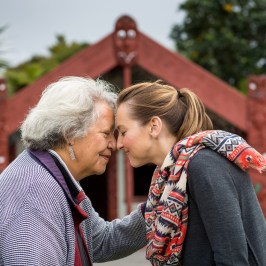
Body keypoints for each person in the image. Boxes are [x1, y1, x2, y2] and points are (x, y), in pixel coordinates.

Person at [116, 80, 266, 266]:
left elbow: (233, 259)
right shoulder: (171, 176)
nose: (118, 144)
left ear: (154, 126)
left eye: (123, 132)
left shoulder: (204, 165)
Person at [0, 76, 147, 266]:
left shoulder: (54, 176)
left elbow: (102, 241)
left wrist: (160, 206)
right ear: (70, 133)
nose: (114, 144)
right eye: (106, 133)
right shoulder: (35, 192)